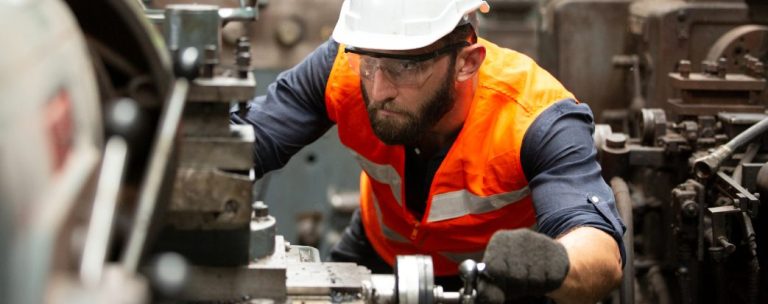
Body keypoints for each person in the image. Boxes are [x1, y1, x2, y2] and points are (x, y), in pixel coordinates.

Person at [232, 0, 625, 302]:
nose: (379, 89)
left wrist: (549, 265)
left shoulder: (535, 117)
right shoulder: (343, 68)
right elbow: (245, 140)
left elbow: (600, 253)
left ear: (467, 63)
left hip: (501, 275)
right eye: (369, 62)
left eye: (406, 68)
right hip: (379, 249)